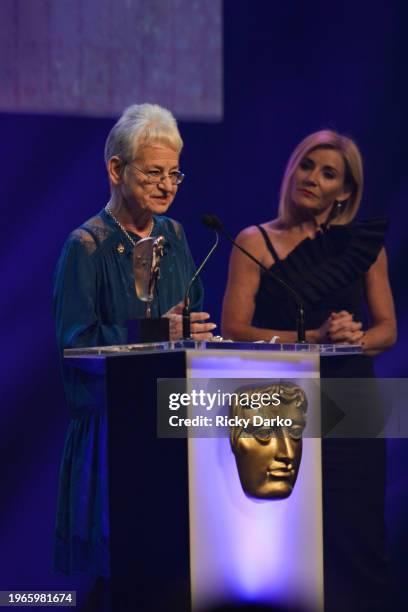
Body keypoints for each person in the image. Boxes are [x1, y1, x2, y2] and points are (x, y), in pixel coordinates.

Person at [221, 130, 397, 611]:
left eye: (328, 173)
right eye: (306, 166)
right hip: (280, 398)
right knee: (284, 538)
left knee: (358, 534)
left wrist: (351, 338)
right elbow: (235, 328)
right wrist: (310, 340)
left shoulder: (363, 248)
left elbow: (387, 332)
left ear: (345, 192)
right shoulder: (254, 241)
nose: (312, 178)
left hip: (352, 401)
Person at [53, 103, 216, 578]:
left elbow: (185, 317)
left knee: (170, 575)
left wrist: (198, 335)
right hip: (111, 432)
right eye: (154, 173)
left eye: (175, 174)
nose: (167, 186)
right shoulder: (86, 246)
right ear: (116, 169)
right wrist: (154, 334)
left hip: (172, 419)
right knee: (118, 579)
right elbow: (75, 345)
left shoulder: (178, 236)